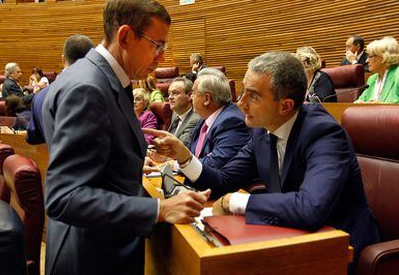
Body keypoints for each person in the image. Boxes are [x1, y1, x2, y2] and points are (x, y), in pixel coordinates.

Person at [145, 51, 380, 273]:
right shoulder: (262, 131)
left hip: (338, 248)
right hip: (287, 236)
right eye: (243, 92)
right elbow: (223, 180)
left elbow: (310, 207)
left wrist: (235, 201)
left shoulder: (323, 133)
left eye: (253, 96)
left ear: (285, 105)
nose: (240, 103)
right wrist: (184, 156)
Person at [41, 0, 210, 274]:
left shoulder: (92, 76)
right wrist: (159, 209)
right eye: (157, 45)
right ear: (125, 36)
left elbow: (91, 163)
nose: (162, 57)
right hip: (91, 258)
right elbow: (66, 197)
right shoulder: (89, 88)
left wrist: (124, 163)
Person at [26, 34, 95, 145]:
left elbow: (33, 138)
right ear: (92, 59)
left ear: (63, 59)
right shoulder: (103, 92)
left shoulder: (39, 97)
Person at [187, 67, 251, 169]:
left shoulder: (231, 122)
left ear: (206, 99)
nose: (190, 97)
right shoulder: (203, 119)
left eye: (193, 93)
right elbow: (191, 154)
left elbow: (215, 163)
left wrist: (178, 165)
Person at [355, 36, 399, 104]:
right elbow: (361, 100)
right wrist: (358, 103)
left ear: (384, 57)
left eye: (370, 56)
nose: (367, 60)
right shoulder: (372, 79)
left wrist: (381, 106)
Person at [167, 77, 200, 147]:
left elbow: (180, 147)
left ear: (190, 96)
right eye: (169, 93)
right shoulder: (175, 113)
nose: (170, 97)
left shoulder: (195, 119)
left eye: (175, 93)